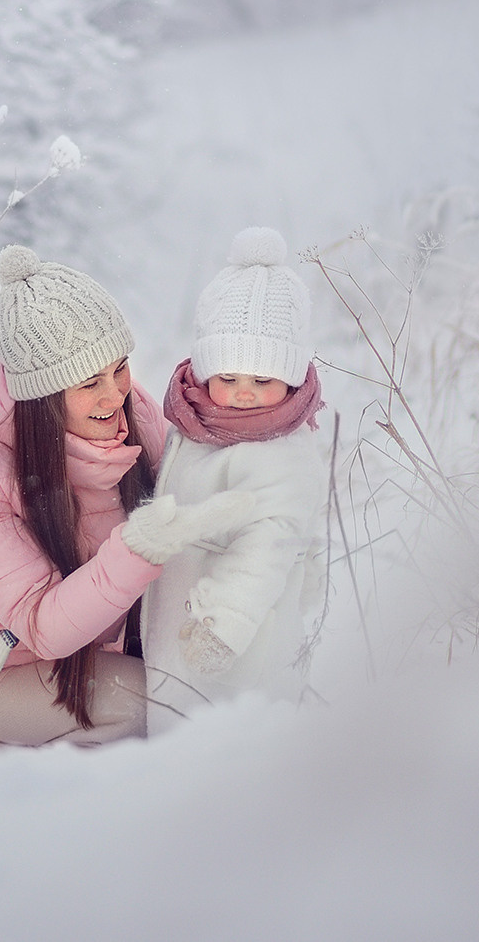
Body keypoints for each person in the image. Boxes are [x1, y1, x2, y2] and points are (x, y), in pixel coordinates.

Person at [0, 244, 250, 747]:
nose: (116, 395)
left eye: (119, 368)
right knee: (155, 706)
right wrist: (139, 546)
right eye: (89, 383)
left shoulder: (129, 414)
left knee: (198, 685)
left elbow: (194, 495)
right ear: (43, 396)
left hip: (58, 662)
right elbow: (41, 624)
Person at [142, 227, 330, 731]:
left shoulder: (281, 453)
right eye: (228, 378)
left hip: (229, 646)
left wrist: (224, 624)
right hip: (177, 637)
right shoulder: (202, 430)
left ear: (291, 378)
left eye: (262, 381)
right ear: (205, 374)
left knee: (220, 751)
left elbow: (270, 546)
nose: (243, 395)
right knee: (175, 734)